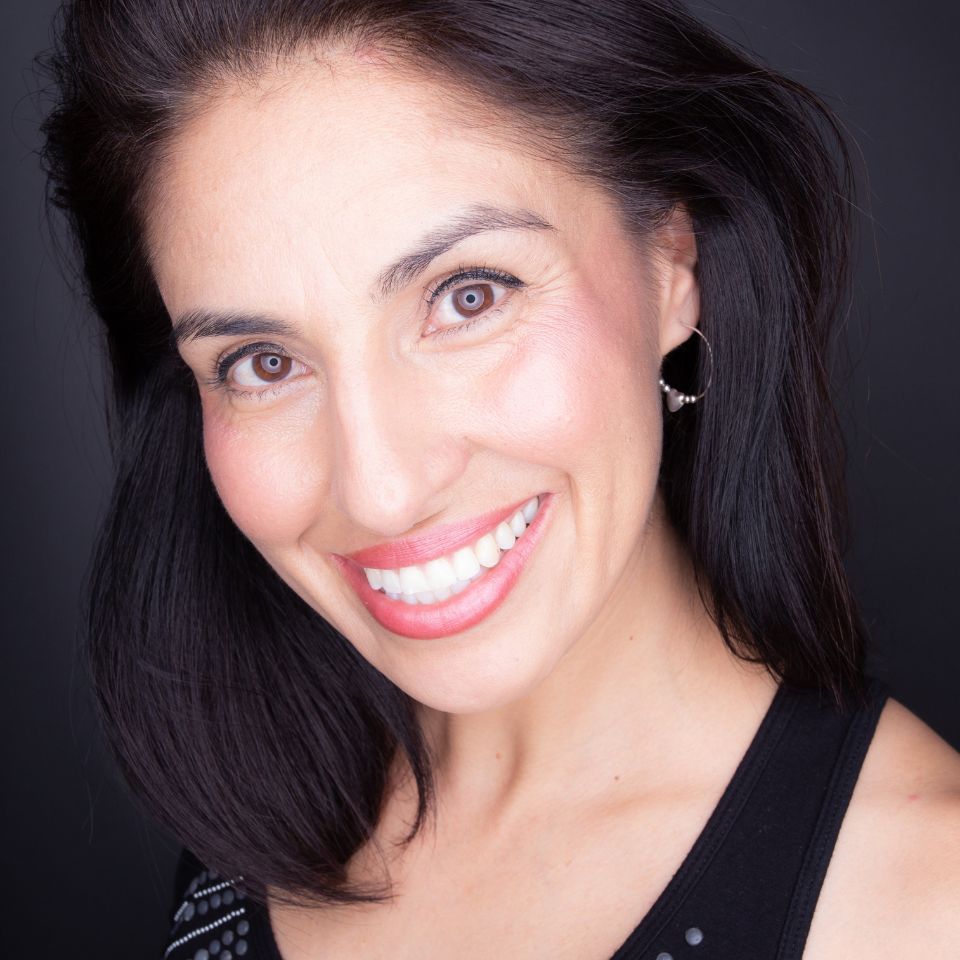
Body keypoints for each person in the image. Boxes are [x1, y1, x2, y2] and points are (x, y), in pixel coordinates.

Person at [38, 0, 959, 957]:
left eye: (467, 296)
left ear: (670, 263)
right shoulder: (255, 843)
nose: (381, 489)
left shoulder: (927, 907)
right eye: (264, 363)